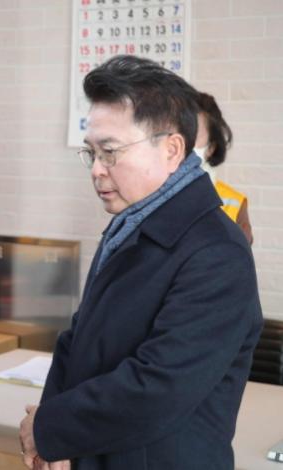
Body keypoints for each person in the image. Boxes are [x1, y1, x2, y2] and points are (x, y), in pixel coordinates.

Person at [19, 55, 263, 470]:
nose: (96, 170)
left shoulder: (216, 252)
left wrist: (50, 427)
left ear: (172, 149)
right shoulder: (130, 224)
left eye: (110, 152)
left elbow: (159, 388)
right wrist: (54, 438)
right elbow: (78, 340)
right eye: (92, 152)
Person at [194, 92, 253, 244]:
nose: (182, 143)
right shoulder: (145, 194)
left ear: (211, 148)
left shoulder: (234, 203)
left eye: (193, 134)